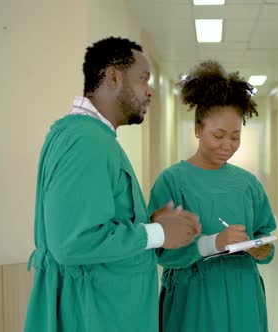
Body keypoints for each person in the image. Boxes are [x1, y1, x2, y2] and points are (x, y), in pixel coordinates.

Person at [24, 36, 201, 332]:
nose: (149, 91)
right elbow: (73, 241)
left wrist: (147, 222)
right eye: (143, 79)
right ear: (113, 76)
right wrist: (157, 233)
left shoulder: (89, 137)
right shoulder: (86, 141)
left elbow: (93, 221)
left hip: (100, 307)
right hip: (94, 314)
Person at [148, 60, 277, 332]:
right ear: (197, 129)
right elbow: (160, 252)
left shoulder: (247, 184)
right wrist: (213, 243)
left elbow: (267, 236)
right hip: (193, 301)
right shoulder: (172, 181)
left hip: (244, 296)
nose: (227, 146)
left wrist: (262, 248)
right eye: (218, 135)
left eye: (235, 137)